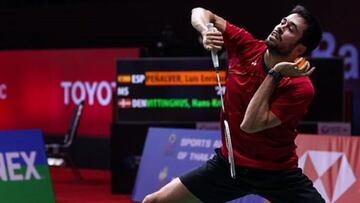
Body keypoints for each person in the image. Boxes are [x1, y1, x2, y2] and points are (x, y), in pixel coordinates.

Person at [142, 5, 325, 203]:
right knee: (154, 201)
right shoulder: (246, 46)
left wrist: (276, 73)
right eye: (283, 21)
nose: (281, 27)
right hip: (229, 166)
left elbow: (250, 125)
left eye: (291, 29)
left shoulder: (300, 87)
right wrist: (206, 31)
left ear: (300, 49)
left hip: (277, 174)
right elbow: (200, 12)